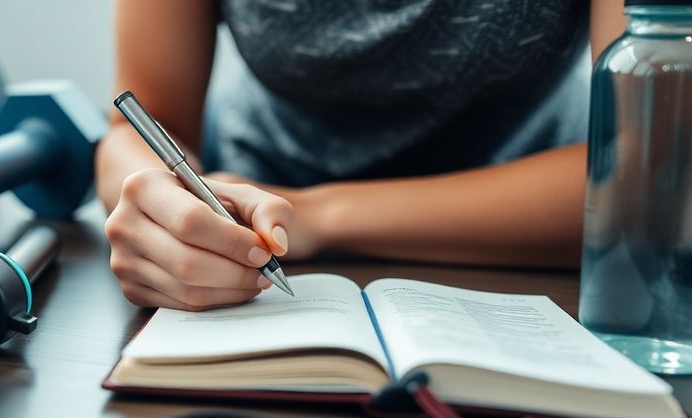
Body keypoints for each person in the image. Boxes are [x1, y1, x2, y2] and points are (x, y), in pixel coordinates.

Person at [97, 0, 627, 311]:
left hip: (535, 237)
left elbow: (647, 167)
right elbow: (139, 123)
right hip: (239, 223)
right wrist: (157, 206)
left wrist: (317, 215)